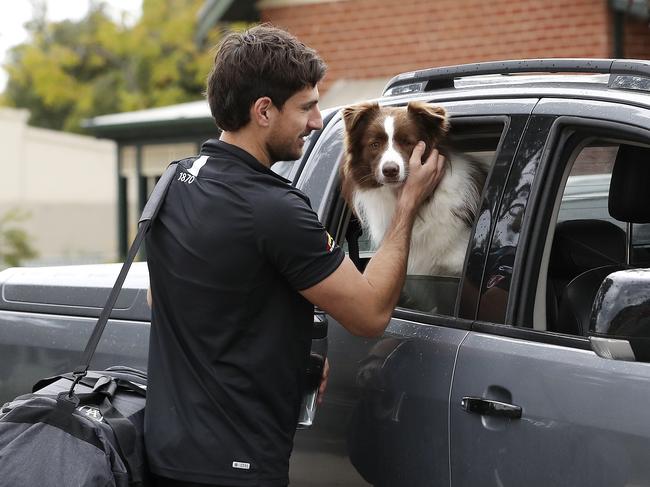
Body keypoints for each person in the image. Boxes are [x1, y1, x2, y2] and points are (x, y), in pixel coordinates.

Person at [145, 24, 446, 487]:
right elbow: (369, 313)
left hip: (166, 451)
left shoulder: (176, 180)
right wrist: (407, 204)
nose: (317, 120)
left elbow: (168, 296)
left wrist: (286, 354)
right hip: (238, 464)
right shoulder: (274, 208)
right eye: (306, 107)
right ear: (263, 111)